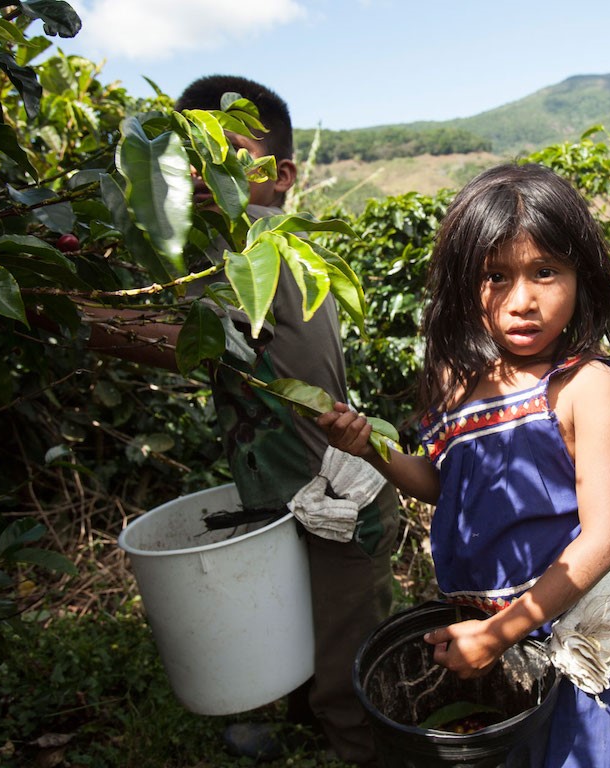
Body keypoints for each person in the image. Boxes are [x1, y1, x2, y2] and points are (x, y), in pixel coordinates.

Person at [79, 75, 399, 766]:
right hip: (293, 498)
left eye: (232, 154)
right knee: (298, 625)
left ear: (282, 177)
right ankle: (300, 721)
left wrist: (54, 305)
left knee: (349, 671)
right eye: (194, 155)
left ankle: (359, 747)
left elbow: (172, 338)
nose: (206, 174)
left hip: (342, 507)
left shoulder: (262, 242)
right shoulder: (226, 252)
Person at [317, 163, 610, 767]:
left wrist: (500, 633)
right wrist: (371, 450)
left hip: (556, 629)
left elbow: (602, 539)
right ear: (465, 286)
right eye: (496, 276)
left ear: (581, 277)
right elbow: (448, 486)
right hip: (482, 628)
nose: (523, 302)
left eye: (546, 272)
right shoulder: (456, 381)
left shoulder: (584, 386)